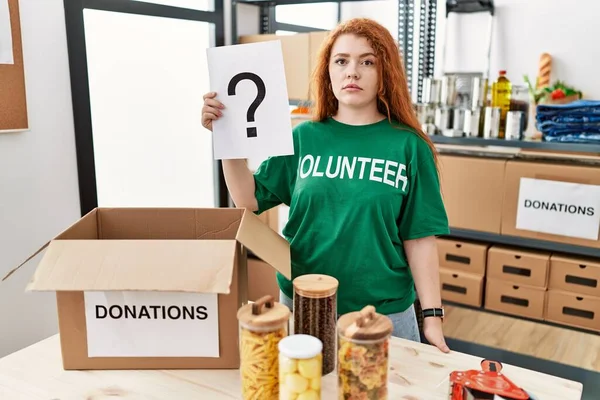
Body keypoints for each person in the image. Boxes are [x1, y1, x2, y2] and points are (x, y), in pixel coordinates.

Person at [201, 18, 450, 353]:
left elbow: (419, 239)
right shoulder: (304, 137)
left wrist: (432, 319)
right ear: (328, 71)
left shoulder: (409, 147)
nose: (353, 72)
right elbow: (247, 199)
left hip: (382, 313)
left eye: (367, 61)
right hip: (304, 301)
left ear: (384, 72)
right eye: (342, 61)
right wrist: (226, 137)